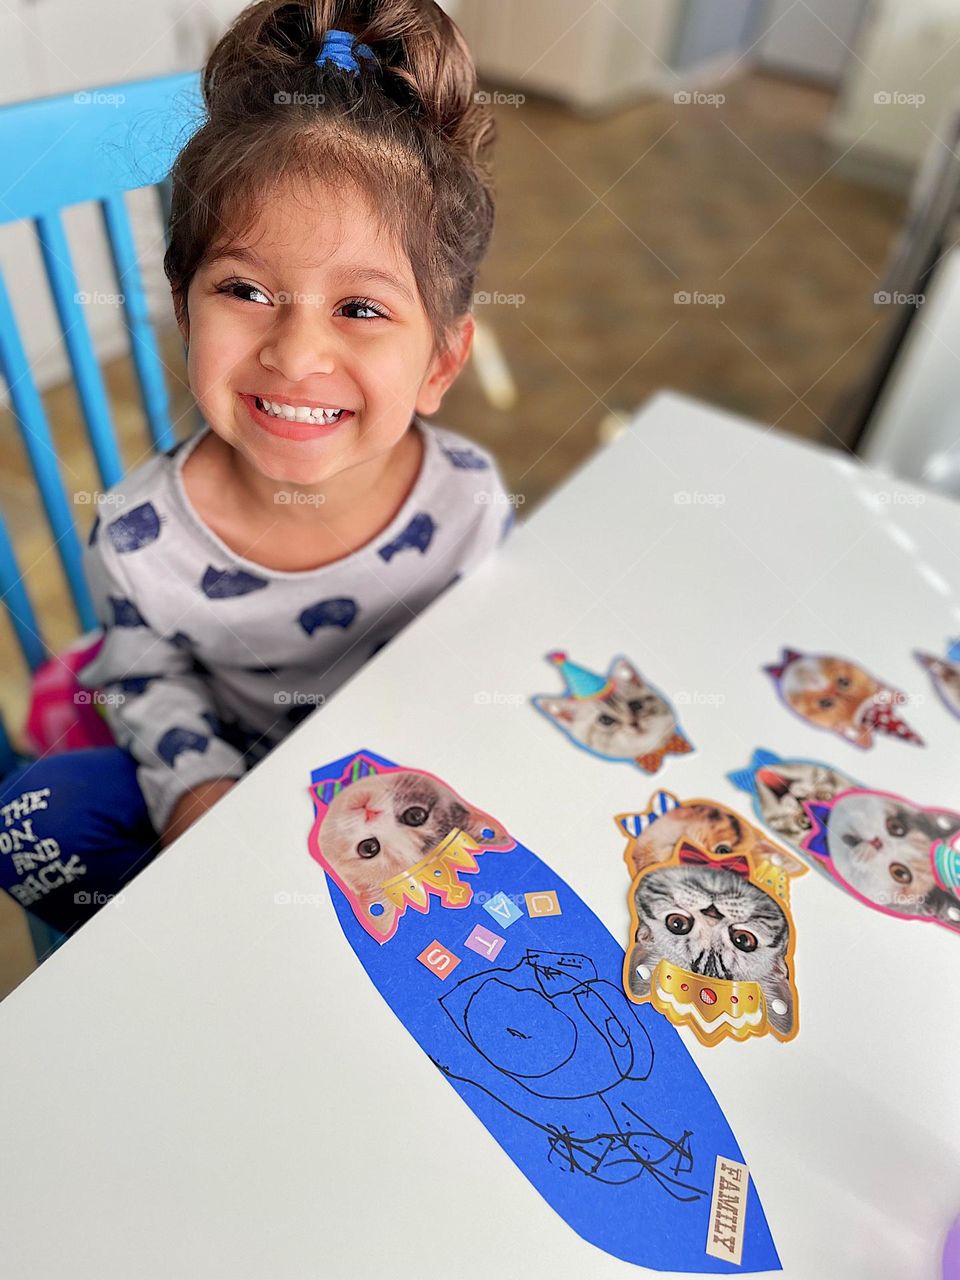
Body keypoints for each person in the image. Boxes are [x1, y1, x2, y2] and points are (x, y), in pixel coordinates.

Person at [0, 0, 510, 935]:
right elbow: (143, 678)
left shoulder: (471, 501)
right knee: (34, 820)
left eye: (361, 308)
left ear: (440, 362)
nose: (295, 353)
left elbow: (481, 663)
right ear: (186, 315)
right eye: (245, 290)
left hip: (399, 799)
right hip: (230, 765)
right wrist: (200, 794)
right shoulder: (139, 535)